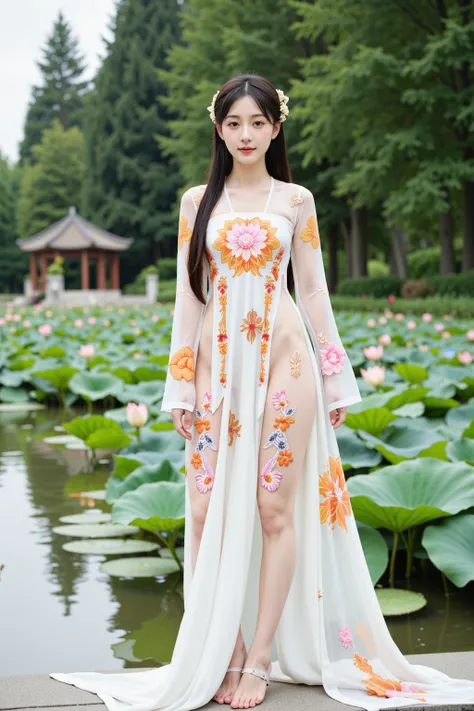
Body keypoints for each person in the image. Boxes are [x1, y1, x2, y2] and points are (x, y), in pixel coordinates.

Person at [50, 74, 474, 711]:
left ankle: (262, 654)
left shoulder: (296, 201)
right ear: (219, 131)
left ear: (276, 127)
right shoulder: (198, 202)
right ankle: (227, 647)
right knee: (200, 513)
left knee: (273, 508)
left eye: (257, 122)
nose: (246, 134)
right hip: (215, 370)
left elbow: (314, 292)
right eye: (234, 124)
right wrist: (180, 384)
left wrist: (336, 379)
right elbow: (189, 299)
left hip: (286, 365)